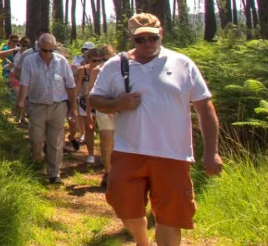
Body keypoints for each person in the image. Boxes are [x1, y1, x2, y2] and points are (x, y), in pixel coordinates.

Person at [89, 13, 224, 246]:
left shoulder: (182, 63)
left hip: (173, 154)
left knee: (170, 218)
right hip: (128, 152)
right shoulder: (115, 66)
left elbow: (205, 107)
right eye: (140, 39)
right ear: (131, 38)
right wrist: (117, 104)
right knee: (125, 208)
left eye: (152, 38)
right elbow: (95, 99)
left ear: (161, 34)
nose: (148, 43)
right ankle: (142, 240)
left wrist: (212, 152)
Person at [16, 33, 76, 183]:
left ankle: (54, 174)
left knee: (55, 141)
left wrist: (73, 107)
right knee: (36, 138)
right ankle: (38, 157)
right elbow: (24, 83)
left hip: (58, 105)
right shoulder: (30, 61)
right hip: (37, 105)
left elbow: (70, 85)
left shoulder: (61, 61)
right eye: (44, 50)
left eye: (51, 50)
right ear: (38, 48)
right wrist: (21, 101)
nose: (47, 54)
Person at [79, 45, 115, 171]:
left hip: (119, 109)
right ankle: (108, 172)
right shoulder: (96, 71)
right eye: (102, 59)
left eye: (108, 59)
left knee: (116, 142)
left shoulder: (123, 69)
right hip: (102, 108)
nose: (104, 62)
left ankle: (113, 167)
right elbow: (91, 93)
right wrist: (88, 112)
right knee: (106, 140)